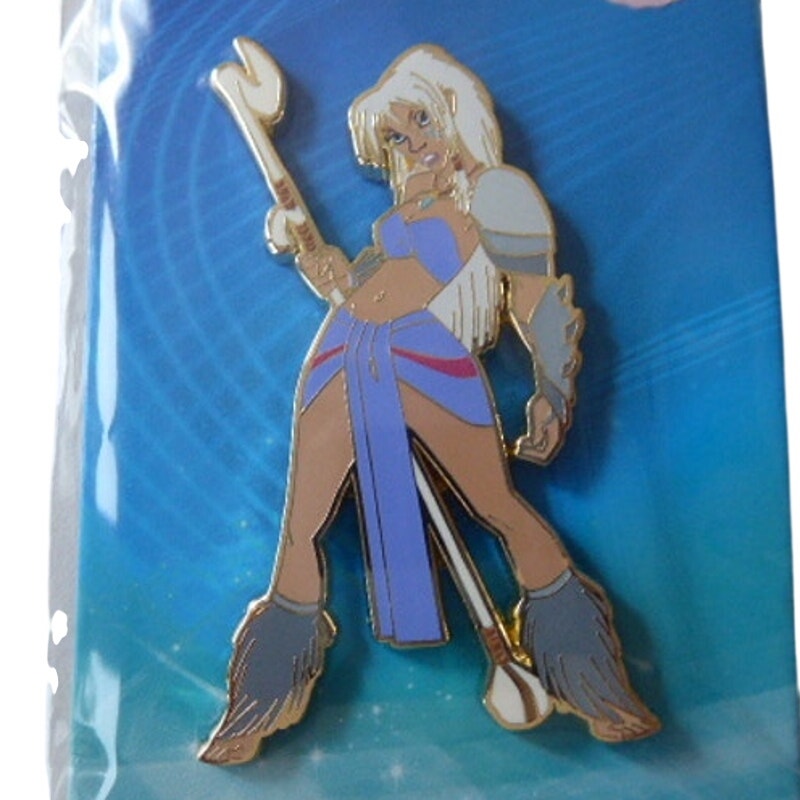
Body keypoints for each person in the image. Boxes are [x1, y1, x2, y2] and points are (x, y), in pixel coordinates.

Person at [200, 44, 659, 765]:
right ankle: (253, 710)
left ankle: (599, 690)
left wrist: (553, 390)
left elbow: (536, 297)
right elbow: (360, 288)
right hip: (342, 350)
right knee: (299, 530)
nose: (410, 142)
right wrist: (322, 266)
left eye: (419, 120)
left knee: (500, 509)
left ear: (453, 114)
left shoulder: (497, 192)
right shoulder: (401, 211)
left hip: (428, 359)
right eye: (394, 134)